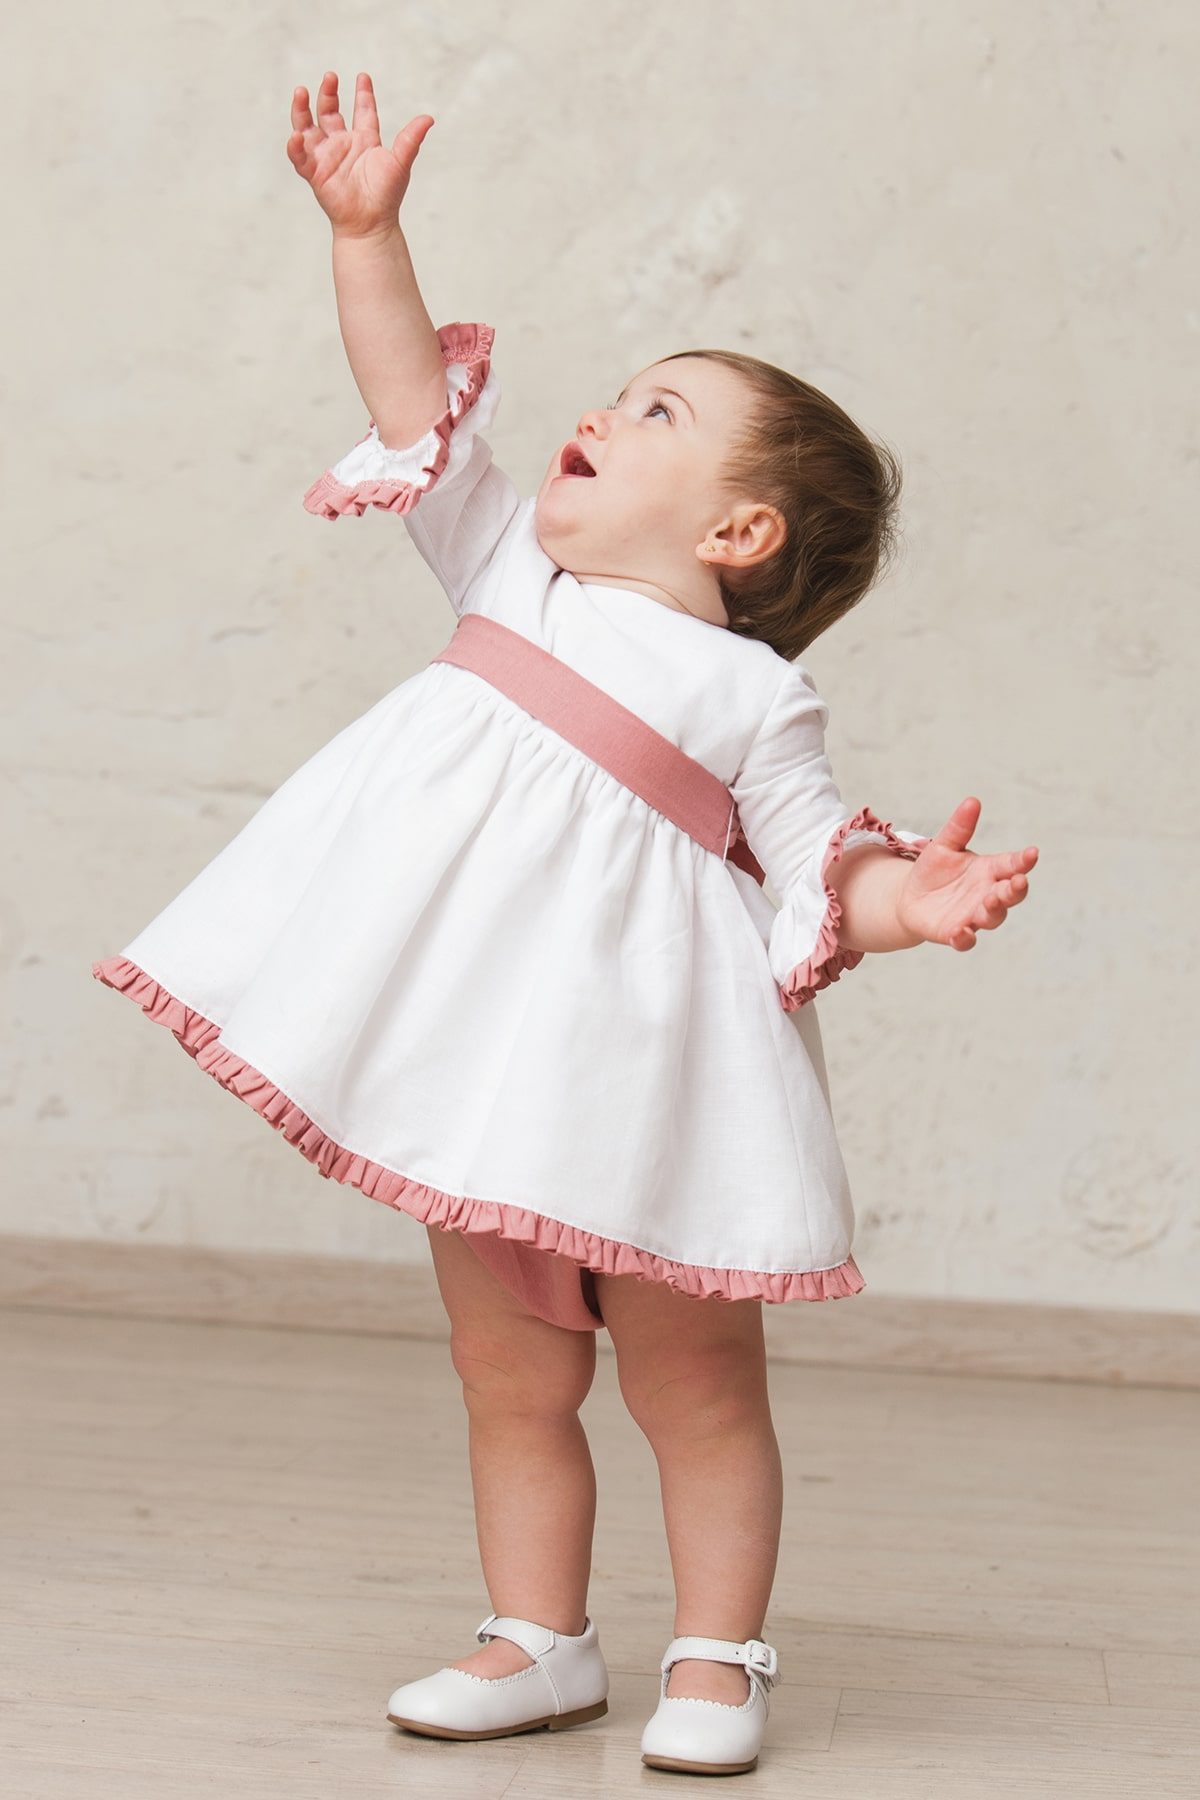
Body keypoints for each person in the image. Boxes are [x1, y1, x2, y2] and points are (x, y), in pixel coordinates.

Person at [91, 70, 1039, 1777]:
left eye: (660, 412)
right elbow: (401, 388)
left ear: (741, 533)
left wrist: (924, 898)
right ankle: (536, 1637)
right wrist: (368, 233)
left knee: (696, 1389)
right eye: (619, 394)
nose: (606, 413)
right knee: (506, 1376)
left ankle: (715, 1655)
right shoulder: (507, 569)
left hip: (660, 1100)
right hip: (491, 1080)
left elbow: (825, 869)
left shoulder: (752, 697)